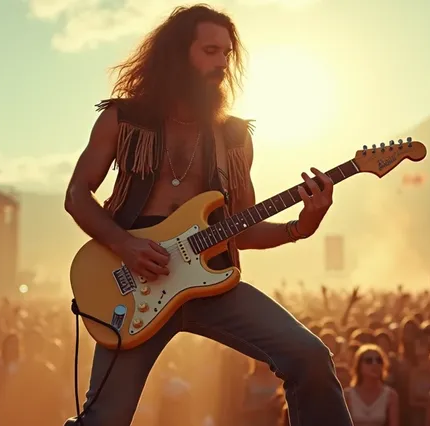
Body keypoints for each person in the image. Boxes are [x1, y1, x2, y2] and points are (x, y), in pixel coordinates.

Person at [63, 4, 352, 426]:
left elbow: (243, 227)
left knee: (309, 356)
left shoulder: (233, 137)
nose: (222, 63)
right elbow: (76, 195)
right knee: (104, 419)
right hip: (132, 284)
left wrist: (301, 226)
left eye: (227, 54)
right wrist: (125, 245)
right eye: (211, 51)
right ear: (179, 54)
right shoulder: (122, 119)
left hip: (211, 281)